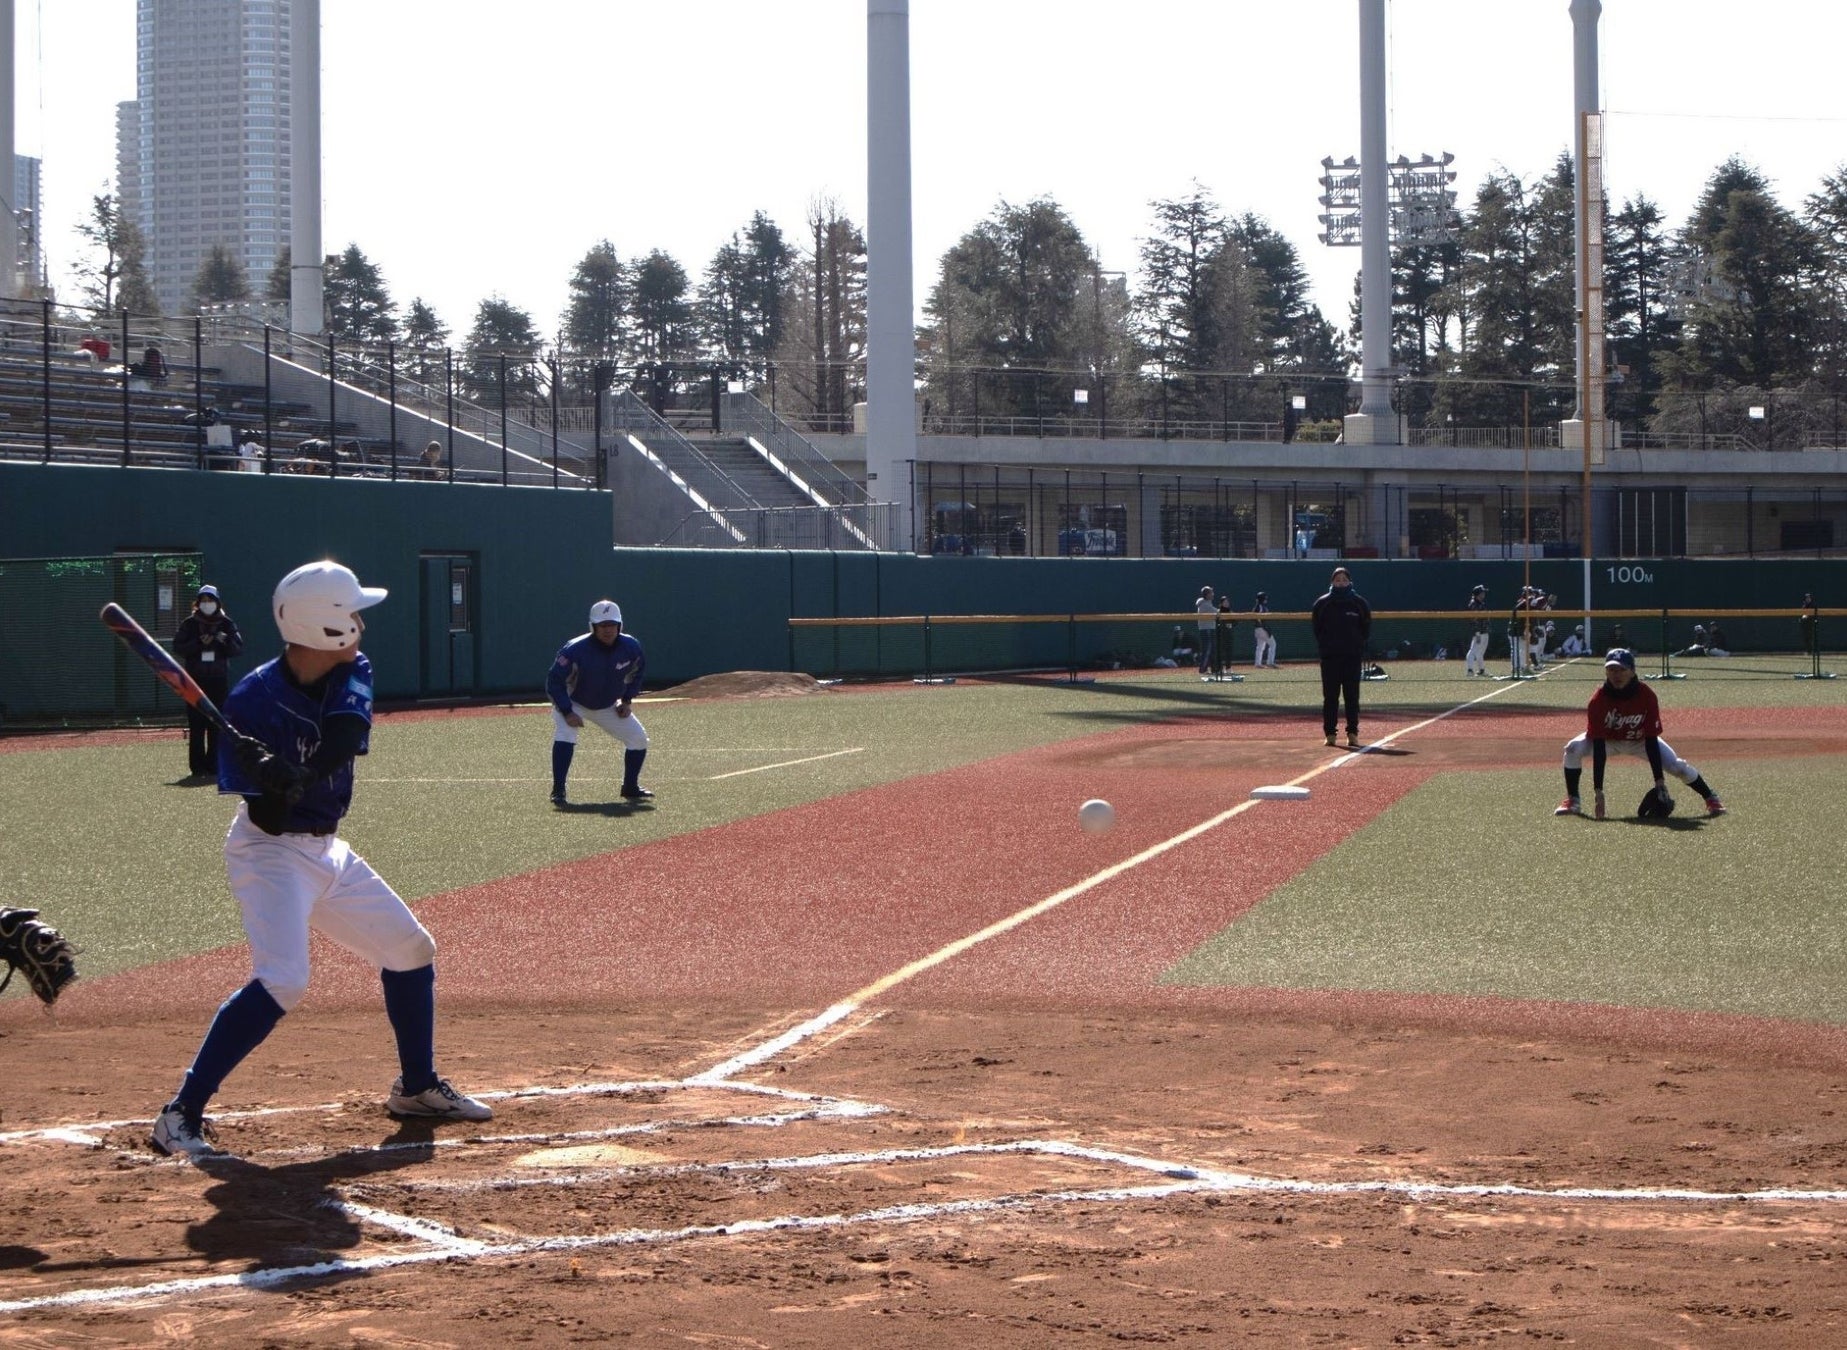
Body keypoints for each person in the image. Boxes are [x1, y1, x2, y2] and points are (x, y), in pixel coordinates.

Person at [150, 561, 491, 1157]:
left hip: (328, 849)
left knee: (410, 950)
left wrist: (299, 773)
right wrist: (268, 780)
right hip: (269, 853)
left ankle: (416, 1088)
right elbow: (268, 818)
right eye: (352, 612)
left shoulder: (352, 667)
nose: (361, 623)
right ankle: (180, 1114)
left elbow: (343, 736)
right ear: (324, 626)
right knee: (284, 980)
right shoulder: (250, 704)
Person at [1553, 647, 1725, 820]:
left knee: (1677, 767)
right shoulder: (1598, 700)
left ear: (1632, 671)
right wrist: (1598, 790)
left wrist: (1659, 781)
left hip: (1640, 741)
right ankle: (1573, 800)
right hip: (1608, 742)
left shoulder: (1646, 695)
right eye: (1611, 669)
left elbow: (1651, 739)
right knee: (1572, 748)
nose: (1616, 675)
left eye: (1621, 669)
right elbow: (1598, 744)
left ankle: (1710, 798)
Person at [547, 599, 652, 806]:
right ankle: (558, 790)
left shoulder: (631, 646)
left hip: (607, 704)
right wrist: (567, 711)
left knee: (638, 738)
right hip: (574, 702)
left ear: (620, 625)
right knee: (565, 735)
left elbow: (637, 673)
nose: (608, 630)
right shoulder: (574, 649)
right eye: (602, 625)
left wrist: (626, 700)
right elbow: (554, 681)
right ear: (593, 626)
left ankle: (630, 787)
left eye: (612, 624)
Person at [171, 584, 245, 778]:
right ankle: (197, 768)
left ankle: (214, 766)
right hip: (194, 681)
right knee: (196, 725)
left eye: (210, 600)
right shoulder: (189, 624)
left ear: (217, 602)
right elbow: (178, 647)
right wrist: (197, 643)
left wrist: (224, 641)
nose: (207, 604)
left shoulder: (227, 623)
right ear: (197, 603)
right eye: (203, 600)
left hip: (218, 680)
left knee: (217, 725)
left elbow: (238, 648)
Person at [1311, 566, 1371, 749]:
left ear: (1350, 582)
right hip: (1330, 658)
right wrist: (1327, 646)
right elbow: (1317, 629)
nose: (1341, 583)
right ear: (1332, 582)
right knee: (1330, 697)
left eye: (1344, 579)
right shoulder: (1322, 604)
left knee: (1352, 697)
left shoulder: (1359, 603)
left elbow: (1365, 629)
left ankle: (1352, 733)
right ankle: (1330, 734)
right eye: (1338, 580)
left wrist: (1356, 645)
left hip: (1352, 658)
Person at [1463, 584, 1490, 676]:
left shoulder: (1480, 603)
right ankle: (1470, 670)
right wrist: (1477, 632)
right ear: (1478, 594)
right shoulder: (1473, 604)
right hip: (1479, 632)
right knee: (1473, 651)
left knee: (1480, 653)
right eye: (1482, 592)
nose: (1484, 594)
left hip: (1484, 631)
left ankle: (1481, 670)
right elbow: (1473, 620)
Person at [1194, 585, 1217, 675]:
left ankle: (1214, 669)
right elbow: (1216, 612)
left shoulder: (1208, 602)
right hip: (1206, 629)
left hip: (1210, 628)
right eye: (1211, 593)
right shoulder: (1204, 604)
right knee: (1207, 650)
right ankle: (1203, 669)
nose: (1213, 594)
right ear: (1207, 595)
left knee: (1212, 650)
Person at [1251, 591, 1277, 668]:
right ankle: (1270, 662)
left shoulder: (1257, 606)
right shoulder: (1260, 606)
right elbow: (1258, 617)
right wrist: (1264, 627)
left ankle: (1258, 663)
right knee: (1273, 644)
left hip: (1257, 629)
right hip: (1262, 628)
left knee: (1260, 647)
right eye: (1265, 598)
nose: (1266, 599)